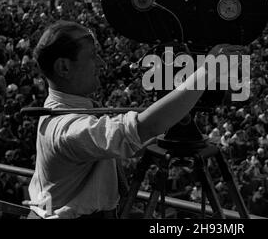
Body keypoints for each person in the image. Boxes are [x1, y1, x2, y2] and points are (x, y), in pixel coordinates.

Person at [25, 20, 242, 219]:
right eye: (92, 56)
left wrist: (173, 114)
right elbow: (143, 128)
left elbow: (129, 143)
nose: (101, 63)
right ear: (64, 67)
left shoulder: (73, 108)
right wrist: (207, 70)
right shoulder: (66, 129)